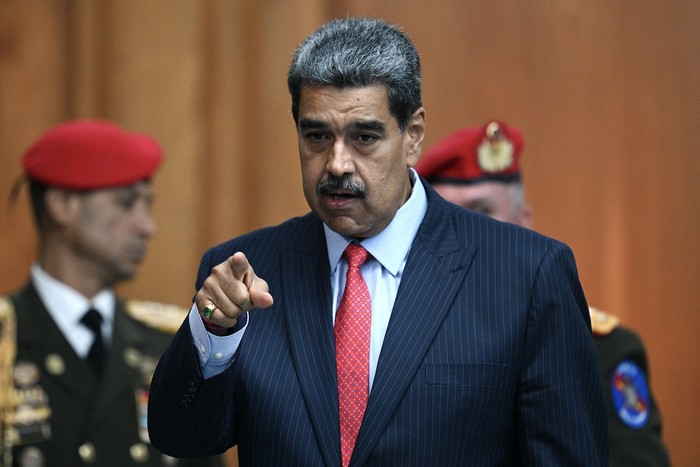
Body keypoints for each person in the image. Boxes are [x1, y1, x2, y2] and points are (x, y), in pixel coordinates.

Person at [147, 17, 608, 466]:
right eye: (316, 136)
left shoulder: (526, 273)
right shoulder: (246, 272)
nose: (337, 164)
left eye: (364, 136)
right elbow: (182, 438)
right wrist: (214, 334)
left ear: (413, 136)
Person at [415, 119, 671, 466]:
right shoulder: (406, 344)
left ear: (524, 223)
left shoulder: (600, 348)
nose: (466, 234)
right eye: (450, 218)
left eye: (482, 213)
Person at [0, 120, 226, 467]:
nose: (148, 226)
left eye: (147, 205)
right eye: (126, 204)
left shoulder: (170, 346)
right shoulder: (7, 343)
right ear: (61, 204)